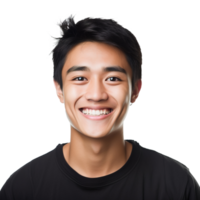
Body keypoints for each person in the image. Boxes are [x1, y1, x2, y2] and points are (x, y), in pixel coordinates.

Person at [0, 13, 199, 200]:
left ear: (136, 90)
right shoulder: (22, 188)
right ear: (58, 89)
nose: (96, 95)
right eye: (80, 78)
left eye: (113, 78)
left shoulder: (175, 185)